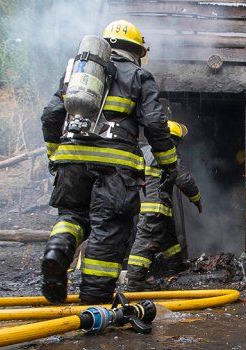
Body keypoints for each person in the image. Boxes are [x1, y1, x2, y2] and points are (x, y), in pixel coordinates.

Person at [40, 20, 178, 304]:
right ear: (137, 50)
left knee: (72, 217)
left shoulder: (77, 73)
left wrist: (55, 153)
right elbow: (154, 122)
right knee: (109, 228)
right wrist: (169, 162)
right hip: (115, 168)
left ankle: (56, 252)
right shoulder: (140, 76)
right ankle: (94, 301)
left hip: (72, 159)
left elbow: (51, 115)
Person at [126, 120, 202, 289]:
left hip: (149, 206)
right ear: (173, 140)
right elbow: (184, 180)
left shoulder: (143, 151)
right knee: (146, 241)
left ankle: (175, 266)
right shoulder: (167, 154)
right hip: (155, 207)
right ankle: (134, 282)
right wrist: (196, 199)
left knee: (168, 237)